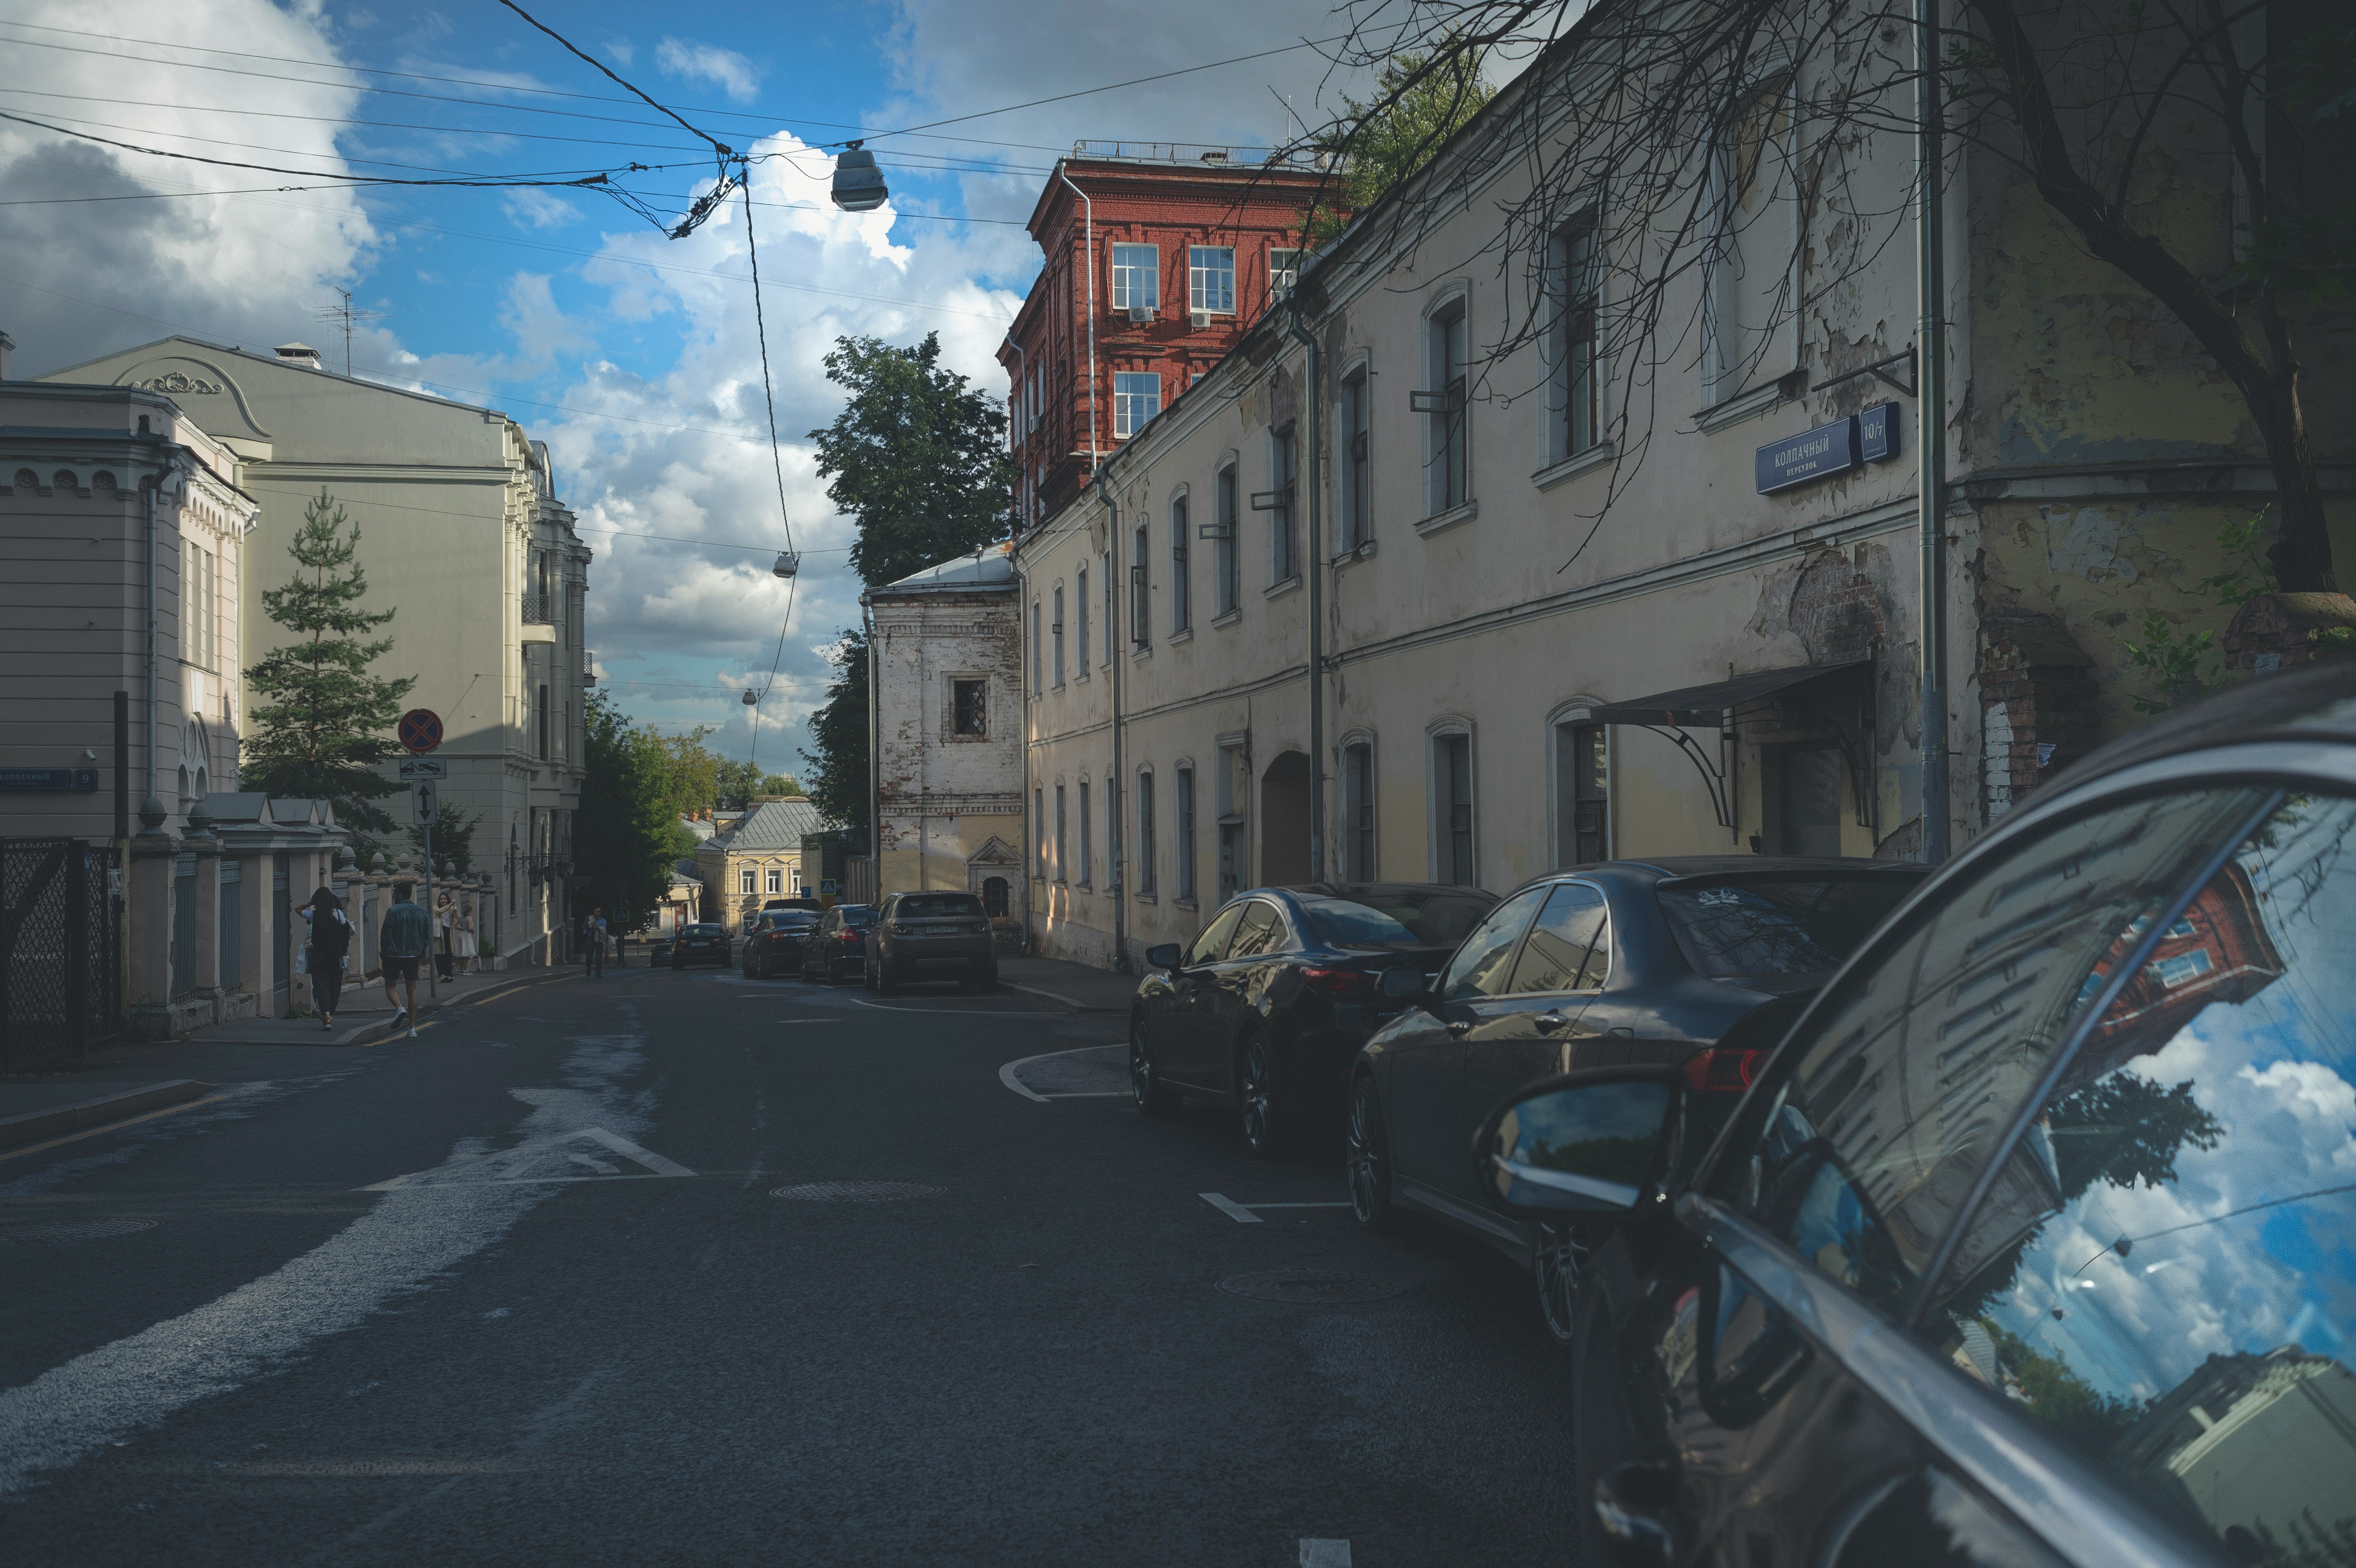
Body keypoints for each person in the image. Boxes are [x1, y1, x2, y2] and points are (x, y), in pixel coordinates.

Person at [379, 881, 431, 1038]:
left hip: (394, 954)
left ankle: (400, 1008)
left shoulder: (393, 911)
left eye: (395, 893)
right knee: (412, 990)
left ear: (400, 895)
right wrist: (421, 951)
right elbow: (427, 936)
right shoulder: (422, 912)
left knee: (390, 986)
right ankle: (412, 1028)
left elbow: (386, 935)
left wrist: (385, 951)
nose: (394, 896)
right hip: (413, 955)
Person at [299, 885, 353, 1033]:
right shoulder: (338, 914)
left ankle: (327, 1017)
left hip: (318, 956)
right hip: (336, 956)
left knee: (321, 985)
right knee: (335, 987)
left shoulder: (314, 915)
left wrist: (309, 904)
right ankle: (330, 1014)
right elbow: (345, 931)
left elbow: (298, 910)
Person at [434, 893, 457, 983]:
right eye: (442, 899)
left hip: (448, 933)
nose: (443, 901)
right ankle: (442, 974)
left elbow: (457, 916)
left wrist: (454, 907)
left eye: (445, 899)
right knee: (439, 955)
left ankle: (448, 974)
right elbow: (439, 912)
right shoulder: (436, 908)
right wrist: (450, 905)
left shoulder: (450, 909)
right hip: (439, 934)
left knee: (448, 954)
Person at [453, 899, 477, 976]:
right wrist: (473, 931)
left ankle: (461, 969)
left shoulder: (461, 918)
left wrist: (460, 929)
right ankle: (465, 970)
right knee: (466, 953)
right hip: (467, 935)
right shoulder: (469, 918)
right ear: (470, 911)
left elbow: (454, 925)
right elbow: (470, 928)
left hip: (461, 935)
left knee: (461, 953)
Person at [584, 906, 608, 980]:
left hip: (598, 940)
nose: (595, 913)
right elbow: (584, 928)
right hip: (590, 939)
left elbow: (603, 929)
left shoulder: (603, 921)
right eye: (595, 911)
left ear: (600, 913)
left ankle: (598, 973)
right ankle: (589, 970)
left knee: (599, 958)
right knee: (588, 957)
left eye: (597, 912)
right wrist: (586, 922)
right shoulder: (590, 919)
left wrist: (596, 926)